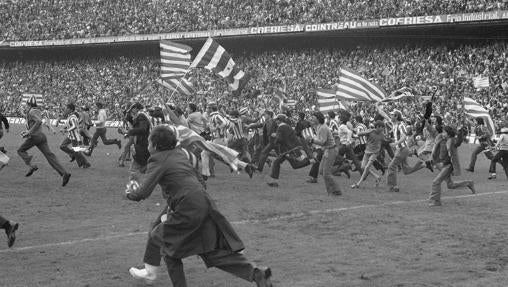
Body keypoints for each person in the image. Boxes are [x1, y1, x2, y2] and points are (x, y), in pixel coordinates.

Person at [125, 125, 273, 287]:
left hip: (188, 207)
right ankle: (256, 274)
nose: (147, 145)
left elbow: (142, 193)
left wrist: (129, 192)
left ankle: (151, 274)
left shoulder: (158, 159)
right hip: (202, 203)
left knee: (160, 239)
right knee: (208, 251)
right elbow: (200, 180)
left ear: (155, 145)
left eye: (149, 141)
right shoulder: (180, 154)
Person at [17, 96, 71, 186]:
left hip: (34, 137)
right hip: (42, 136)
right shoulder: (37, 110)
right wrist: (27, 131)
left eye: (27, 104)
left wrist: (29, 132)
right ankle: (64, 173)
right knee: (50, 156)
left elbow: (38, 122)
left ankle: (31, 166)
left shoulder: (31, 112)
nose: (26, 106)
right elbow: (34, 122)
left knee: (20, 150)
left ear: (29, 104)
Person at [429, 126, 476, 206]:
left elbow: (459, 141)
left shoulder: (452, 141)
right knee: (450, 185)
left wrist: (460, 131)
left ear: (449, 134)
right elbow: (436, 150)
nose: (442, 133)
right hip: (442, 164)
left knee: (436, 182)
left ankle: (435, 201)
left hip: (449, 165)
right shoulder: (441, 139)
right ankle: (469, 183)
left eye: (444, 132)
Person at [266, 114, 311, 187]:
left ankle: (309, 161)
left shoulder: (280, 127)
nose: (276, 121)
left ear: (279, 120)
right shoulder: (287, 126)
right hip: (290, 149)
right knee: (277, 162)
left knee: (294, 165)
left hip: (288, 150)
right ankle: (274, 182)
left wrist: (275, 135)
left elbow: (280, 139)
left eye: (277, 120)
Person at [308, 112, 342, 196]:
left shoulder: (322, 128)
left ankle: (335, 191)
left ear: (318, 118)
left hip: (330, 150)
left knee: (326, 173)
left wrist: (312, 140)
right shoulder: (319, 127)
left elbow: (323, 142)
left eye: (313, 117)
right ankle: (334, 188)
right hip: (327, 150)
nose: (312, 118)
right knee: (321, 171)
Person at [351, 120, 386, 189]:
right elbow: (359, 134)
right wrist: (363, 133)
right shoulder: (370, 131)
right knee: (363, 167)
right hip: (367, 152)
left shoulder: (382, 134)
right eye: (382, 127)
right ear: (377, 127)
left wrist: (392, 141)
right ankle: (377, 177)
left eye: (383, 127)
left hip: (375, 152)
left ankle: (358, 184)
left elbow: (384, 140)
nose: (383, 129)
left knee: (367, 167)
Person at [59, 103, 90, 168]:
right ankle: (73, 155)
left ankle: (85, 163)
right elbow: (69, 124)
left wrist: (66, 130)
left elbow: (74, 126)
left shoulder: (72, 117)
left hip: (75, 136)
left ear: (70, 109)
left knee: (76, 151)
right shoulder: (70, 116)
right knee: (62, 146)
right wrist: (63, 128)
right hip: (71, 135)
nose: (65, 109)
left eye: (67, 108)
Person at [126, 102, 151, 182]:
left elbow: (143, 129)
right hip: (145, 144)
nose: (131, 111)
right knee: (144, 168)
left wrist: (130, 132)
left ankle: (132, 191)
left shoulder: (141, 116)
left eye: (132, 109)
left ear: (136, 108)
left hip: (142, 145)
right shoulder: (143, 115)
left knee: (133, 170)